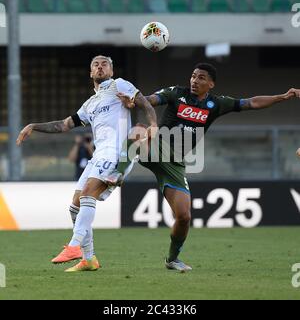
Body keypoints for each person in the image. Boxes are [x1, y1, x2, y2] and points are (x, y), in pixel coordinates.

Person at [114, 62, 300, 272]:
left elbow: (252, 103)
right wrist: (134, 101)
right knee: (139, 129)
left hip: (175, 164)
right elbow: (151, 100)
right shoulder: (176, 93)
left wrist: (282, 97)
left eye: (201, 77)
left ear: (211, 84)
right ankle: (118, 173)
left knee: (184, 217)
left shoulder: (217, 104)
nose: (195, 80)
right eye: (193, 76)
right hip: (156, 148)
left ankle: (172, 259)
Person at [16, 55, 157, 272]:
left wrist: (153, 125)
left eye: (105, 64)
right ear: (91, 73)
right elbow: (64, 125)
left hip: (116, 152)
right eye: (95, 65)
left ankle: (74, 246)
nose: (100, 67)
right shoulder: (90, 104)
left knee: (88, 194)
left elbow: (145, 103)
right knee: (74, 206)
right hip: (99, 155)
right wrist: (34, 125)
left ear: (111, 70)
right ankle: (89, 259)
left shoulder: (119, 85)